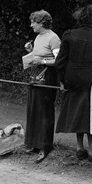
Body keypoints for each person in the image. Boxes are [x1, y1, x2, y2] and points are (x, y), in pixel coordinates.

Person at [55, 5, 92, 161]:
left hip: (74, 80)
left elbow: (60, 62)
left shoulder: (69, 34)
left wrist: (62, 81)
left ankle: (80, 148)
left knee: (77, 113)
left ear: (80, 18)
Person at [23, 10, 61, 163]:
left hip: (48, 79)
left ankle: (45, 147)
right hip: (35, 76)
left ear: (41, 23)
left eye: (33, 22)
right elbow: (39, 56)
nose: (31, 25)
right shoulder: (38, 36)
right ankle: (34, 144)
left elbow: (59, 61)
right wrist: (30, 51)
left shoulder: (54, 38)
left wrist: (43, 62)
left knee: (44, 112)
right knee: (33, 109)